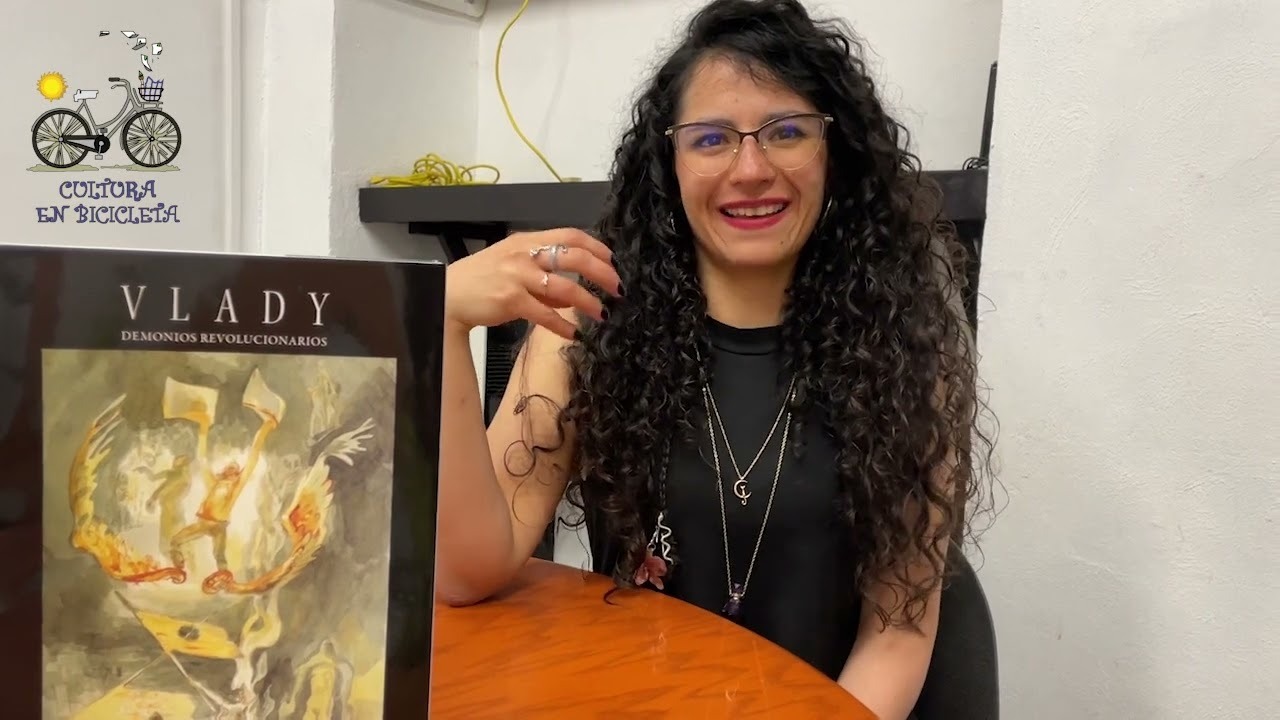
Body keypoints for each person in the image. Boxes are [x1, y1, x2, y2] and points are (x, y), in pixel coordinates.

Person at [436, 0, 995, 717]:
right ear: (669, 162)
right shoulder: (584, 329)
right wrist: (443, 324)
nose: (751, 169)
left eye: (787, 132)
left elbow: (897, 639)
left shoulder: (907, 350)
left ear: (836, 152)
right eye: (711, 139)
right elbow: (466, 573)